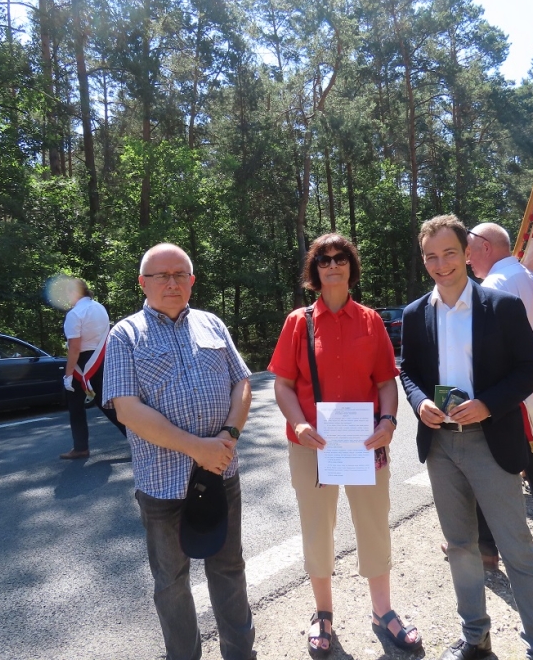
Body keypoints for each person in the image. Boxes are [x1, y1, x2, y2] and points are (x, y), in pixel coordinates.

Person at [399, 216, 533, 660]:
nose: (441, 264)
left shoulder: (501, 306)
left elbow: (529, 370)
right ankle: (476, 638)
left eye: (449, 253)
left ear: (467, 253)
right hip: (441, 446)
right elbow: (408, 372)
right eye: (431, 256)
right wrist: (419, 402)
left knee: (516, 548)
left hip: (491, 441)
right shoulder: (415, 314)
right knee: (461, 548)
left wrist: (489, 404)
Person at [268, 234, 421, 657]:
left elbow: (386, 382)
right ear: (314, 270)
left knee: (373, 524)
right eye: (323, 259)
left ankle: (383, 611)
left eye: (340, 258)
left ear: (351, 266)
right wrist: (298, 424)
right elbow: (282, 385)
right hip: (311, 445)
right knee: (318, 529)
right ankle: (323, 613)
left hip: (364, 442)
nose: (332, 264)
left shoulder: (371, 321)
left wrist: (389, 421)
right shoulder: (298, 322)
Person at [103, 243, 255, 660]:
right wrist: (198, 448)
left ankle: (241, 655)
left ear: (191, 280)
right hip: (162, 485)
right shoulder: (125, 335)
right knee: (171, 583)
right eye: (161, 275)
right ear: (143, 283)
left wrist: (227, 436)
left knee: (229, 569)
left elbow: (242, 383)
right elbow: (127, 409)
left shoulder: (212, 324)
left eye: (180, 274)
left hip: (222, 474)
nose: (172, 283)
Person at [465, 222, 533, 592]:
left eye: (469, 250)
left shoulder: (497, 284)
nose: (467, 259)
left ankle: (486, 550)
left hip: (512, 399)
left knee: (486, 469)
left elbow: (487, 350)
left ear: (485, 246)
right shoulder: (529, 277)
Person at [59, 278, 126, 459]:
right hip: (101, 358)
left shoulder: (74, 314)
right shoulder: (99, 308)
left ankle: (81, 447)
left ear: (74, 292)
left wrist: (68, 375)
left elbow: (74, 348)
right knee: (108, 405)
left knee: (76, 407)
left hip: (82, 362)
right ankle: (138, 439)